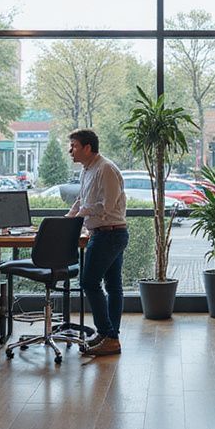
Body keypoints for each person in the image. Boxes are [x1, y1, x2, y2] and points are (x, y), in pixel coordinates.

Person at [66, 128, 127, 357]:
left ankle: (107, 334)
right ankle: (110, 337)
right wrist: (67, 219)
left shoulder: (106, 168)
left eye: (74, 146)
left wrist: (82, 213)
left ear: (87, 147)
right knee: (112, 286)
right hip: (104, 233)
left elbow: (106, 206)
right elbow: (82, 199)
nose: (70, 150)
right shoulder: (87, 170)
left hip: (109, 234)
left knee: (89, 283)